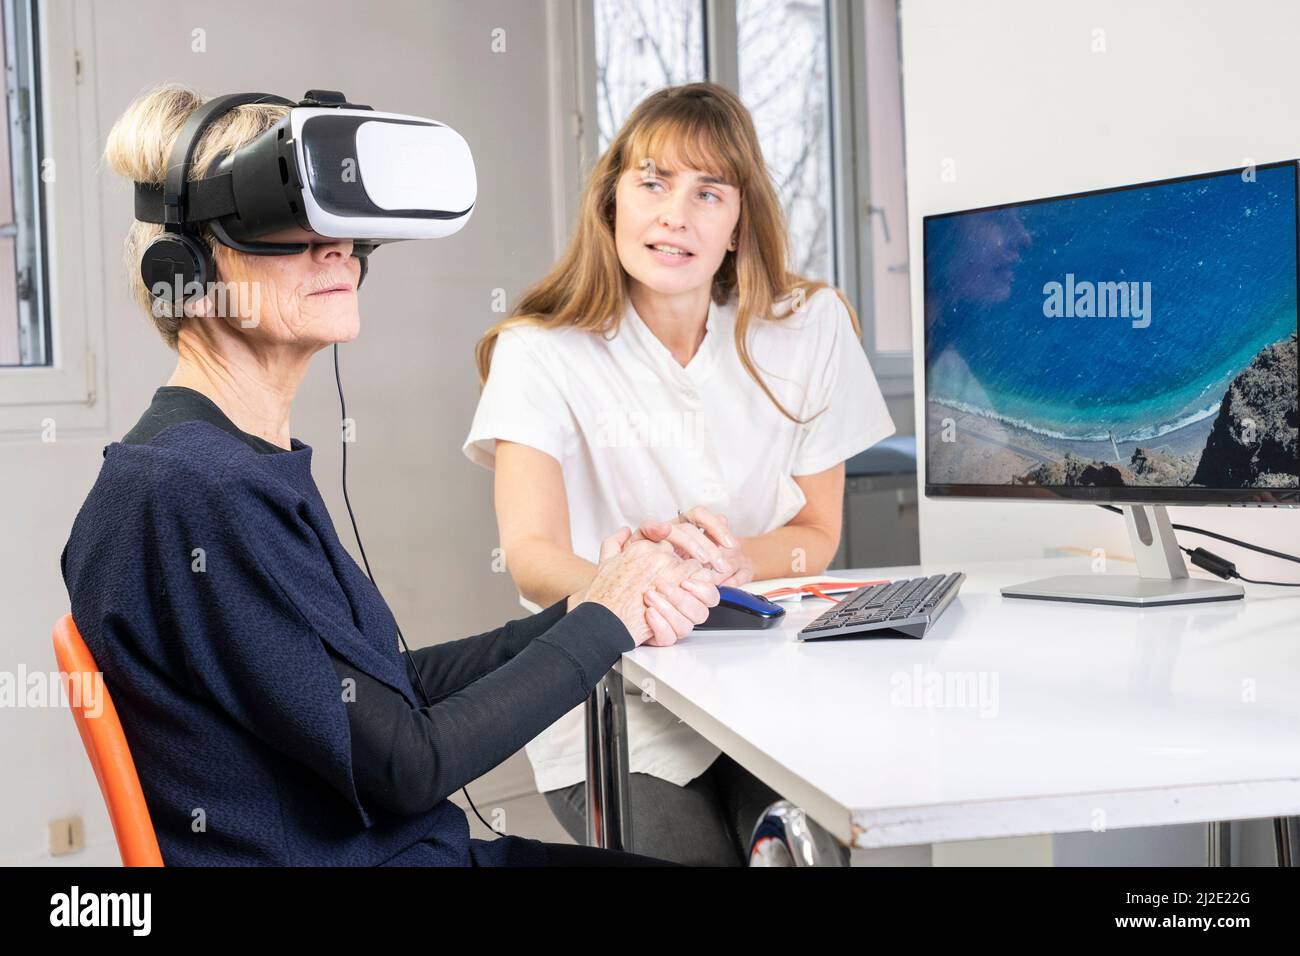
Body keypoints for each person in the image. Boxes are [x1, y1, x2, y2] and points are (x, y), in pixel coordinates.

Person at [60, 85, 725, 867]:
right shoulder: (193, 494)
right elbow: (407, 767)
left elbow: (379, 694)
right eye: (288, 223)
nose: (337, 248)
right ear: (189, 262)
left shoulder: (225, 465)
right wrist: (605, 621)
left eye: (342, 226)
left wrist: (590, 601)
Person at [464, 82, 895, 865]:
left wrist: (731, 563)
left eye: (708, 192)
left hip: (764, 687)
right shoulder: (540, 351)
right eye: (653, 182)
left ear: (738, 223)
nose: (675, 214)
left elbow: (817, 536)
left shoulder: (811, 326)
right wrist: (646, 588)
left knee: (807, 848)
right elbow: (530, 553)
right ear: (613, 203)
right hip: (613, 700)